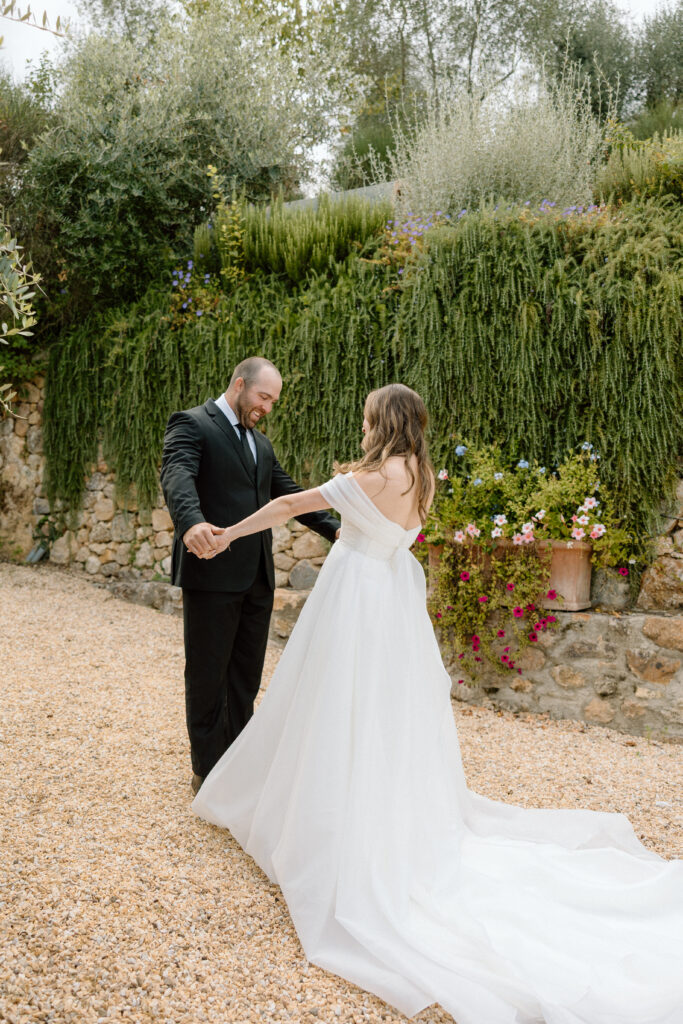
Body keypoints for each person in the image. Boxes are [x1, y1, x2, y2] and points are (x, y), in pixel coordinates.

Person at [192, 383, 683, 1024]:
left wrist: (228, 533)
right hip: (390, 598)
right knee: (377, 713)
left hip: (360, 599)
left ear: (384, 421)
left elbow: (289, 502)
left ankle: (330, 819)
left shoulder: (375, 474)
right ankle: (357, 800)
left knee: (336, 702)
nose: (363, 426)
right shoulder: (421, 475)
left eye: (369, 417)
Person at [160, 357, 340, 796]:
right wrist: (191, 522)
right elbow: (176, 474)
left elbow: (291, 497)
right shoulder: (192, 424)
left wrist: (337, 529)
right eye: (263, 397)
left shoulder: (262, 444)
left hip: (258, 579)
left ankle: (239, 765)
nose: (267, 408)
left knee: (245, 676)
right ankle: (207, 773)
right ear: (240, 385)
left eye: (273, 401)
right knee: (206, 674)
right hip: (211, 571)